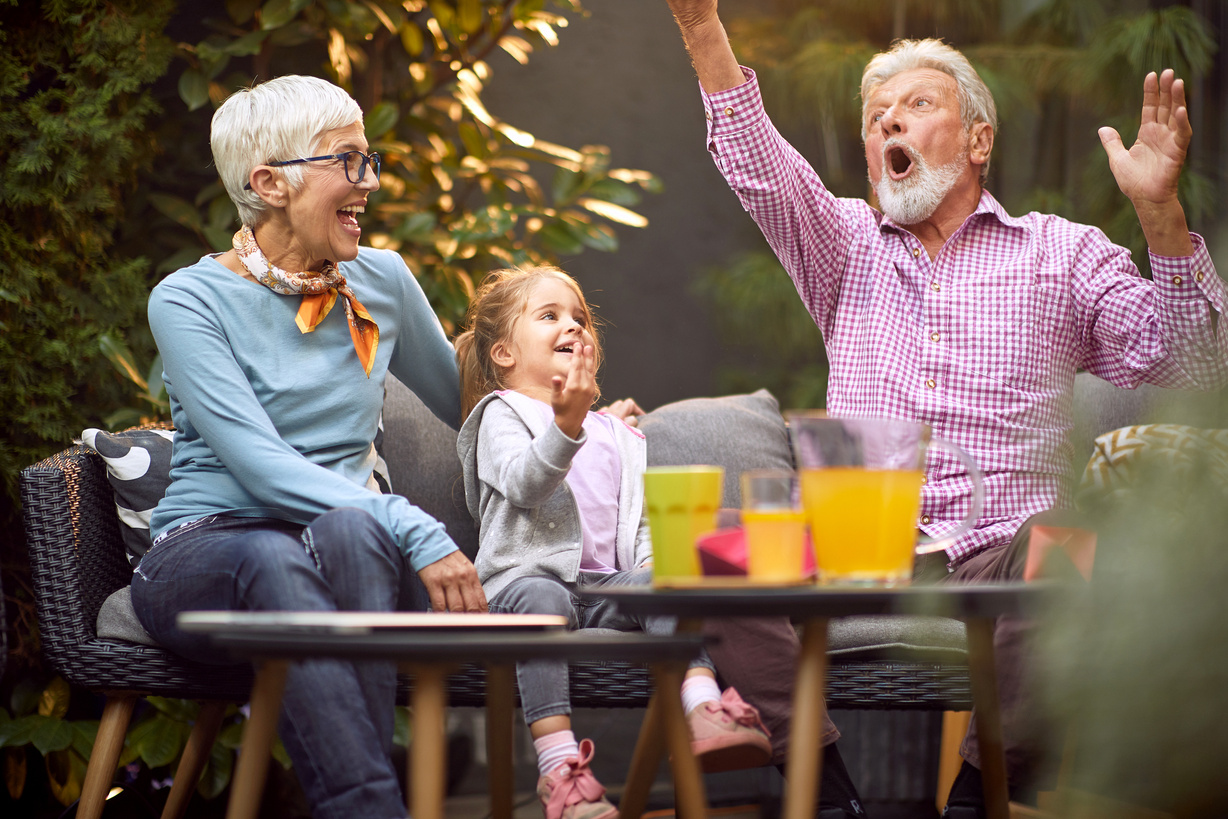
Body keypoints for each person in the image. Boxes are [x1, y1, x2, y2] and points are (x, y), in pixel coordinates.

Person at [660, 0, 1228, 814]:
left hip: (999, 548)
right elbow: (759, 163)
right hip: (852, 542)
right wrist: (700, 28)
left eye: (918, 104)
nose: (889, 119)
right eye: (875, 116)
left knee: (1073, 546)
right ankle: (823, 790)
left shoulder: (1060, 253)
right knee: (709, 557)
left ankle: (985, 790)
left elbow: (1199, 364)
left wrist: (1159, 213)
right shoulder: (843, 242)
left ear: (977, 141)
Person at [130, 75, 487, 819]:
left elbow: (473, 406)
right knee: (278, 553)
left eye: (370, 159)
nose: (371, 181)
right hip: (207, 553)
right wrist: (412, 522)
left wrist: (574, 419)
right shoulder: (187, 300)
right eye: (347, 161)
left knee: (354, 528)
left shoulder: (380, 279)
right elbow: (257, 465)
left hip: (337, 547)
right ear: (269, 183)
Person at [455, 265, 783, 819]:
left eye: (580, 319)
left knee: (667, 583)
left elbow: (639, 529)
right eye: (550, 315)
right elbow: (523, 483)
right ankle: (559, 768)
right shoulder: (500, 415)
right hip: (524, 585)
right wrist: (566, 423)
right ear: (504, 354)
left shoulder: (617, 434)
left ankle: (703, 707)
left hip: (604, 587)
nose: (574, 327)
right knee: (541, 599)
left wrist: (658, 572)